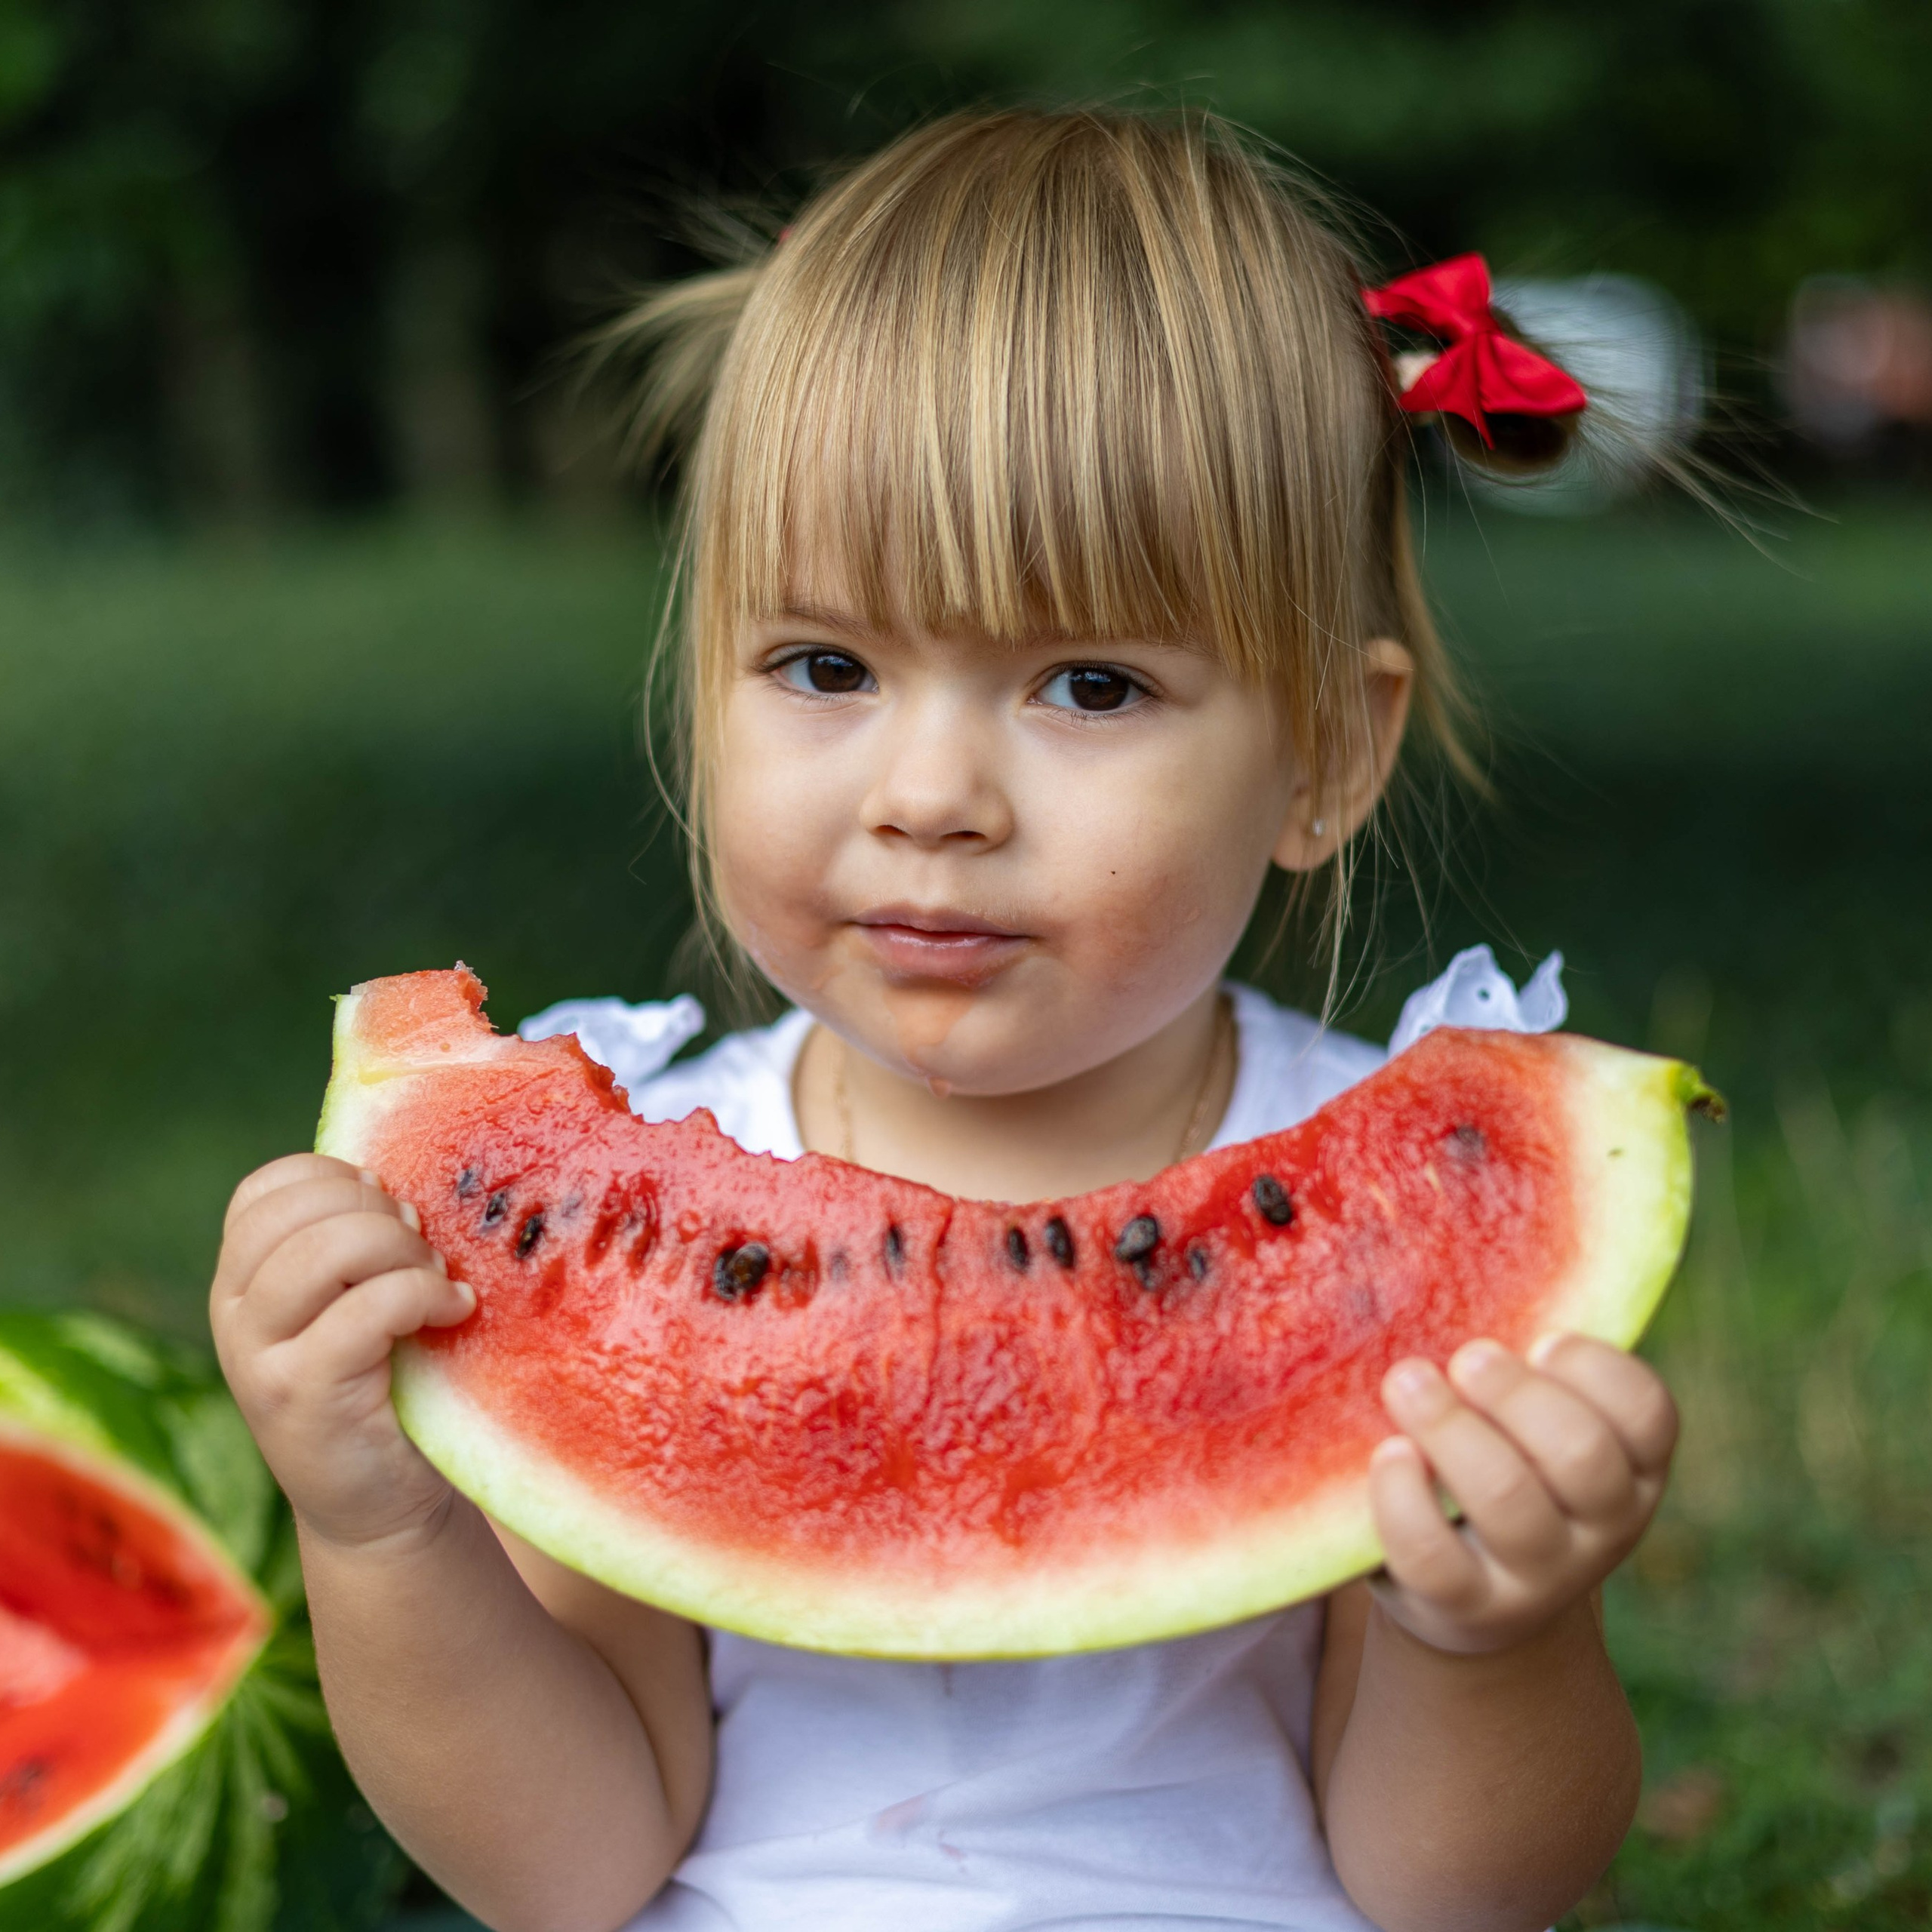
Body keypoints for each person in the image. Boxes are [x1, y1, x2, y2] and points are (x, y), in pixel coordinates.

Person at [210, 109, 1677, 1932]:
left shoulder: (1407, 1257)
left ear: (1326, 752)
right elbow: (569, 1867)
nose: (929, 793)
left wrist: (1489, 1628)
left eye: (1087, 683)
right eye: (823, 665)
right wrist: (380, 1528)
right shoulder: (616, 1217)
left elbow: (1456, 1891)